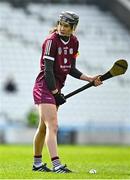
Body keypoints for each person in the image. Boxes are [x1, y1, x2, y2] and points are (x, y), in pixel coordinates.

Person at [32, 11, 102, 173]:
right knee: (53, 126)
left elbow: (71, 68)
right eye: (60, 24)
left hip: (56, 87)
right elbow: (48, 71)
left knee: (44, 127)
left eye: (66, 26)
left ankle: (37, 164)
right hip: (45, 87)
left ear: (73, 28)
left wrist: (90, 78)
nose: (62, 28)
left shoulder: (74, 42)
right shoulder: (51, 41)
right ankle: (57, 166)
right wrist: (56, 93)